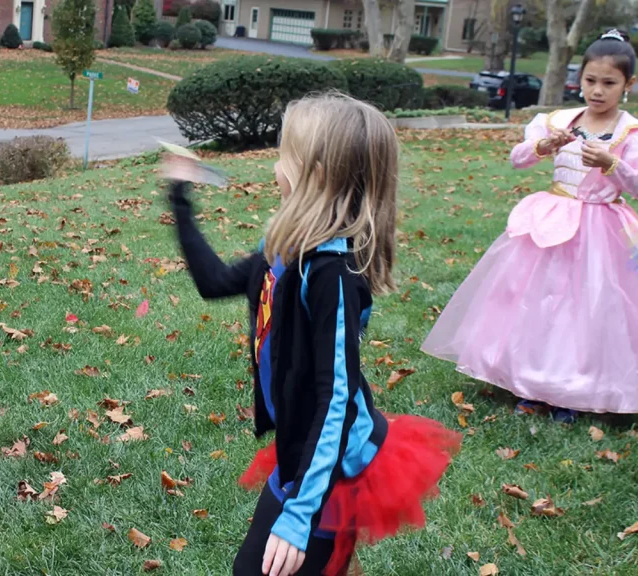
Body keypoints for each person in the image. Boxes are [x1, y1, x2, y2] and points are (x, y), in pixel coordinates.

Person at [163, 93, 461, 576]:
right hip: (299, 451)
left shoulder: (332, 275)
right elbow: (214, 282)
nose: (273, 168)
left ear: (314, 171)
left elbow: (336, 397)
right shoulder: (282, 248)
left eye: (283, 154)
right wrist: (180, 199)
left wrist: (300, 515)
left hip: (329, 467)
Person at [422, 29, 638, 424]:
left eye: (609, 83)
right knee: (541, 302)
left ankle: (574, 387)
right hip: (554, 221)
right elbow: (518, 159)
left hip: (603, 229)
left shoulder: (634, 134)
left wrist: (613, 164)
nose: (597, 91)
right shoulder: (558, 120)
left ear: (627, 85)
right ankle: (530, 382)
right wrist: (544, 146)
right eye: (590, 81)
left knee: (589, 307)